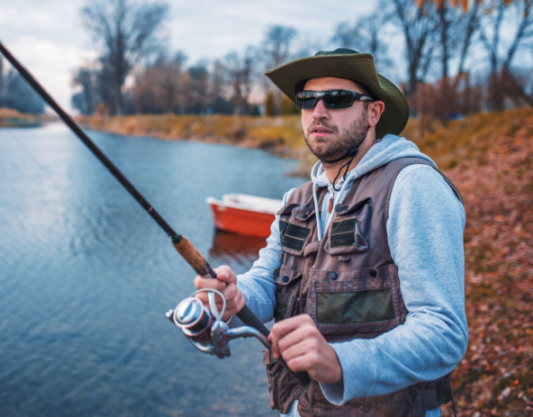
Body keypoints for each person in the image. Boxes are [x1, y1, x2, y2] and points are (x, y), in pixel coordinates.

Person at [194, 48, 467, 416]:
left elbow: (444, 333)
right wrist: (233, 294)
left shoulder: (412, 186)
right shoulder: (297, 200)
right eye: (307, 100)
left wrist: (340, 362)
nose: (318, 111)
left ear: (374, 112)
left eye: (337, 99)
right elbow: (267, 283)